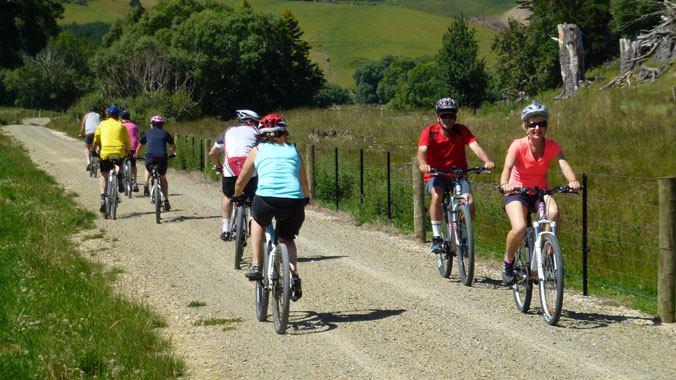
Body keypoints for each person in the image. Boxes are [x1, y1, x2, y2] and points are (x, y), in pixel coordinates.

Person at [499, 101, 580, 285]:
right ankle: (508, 261)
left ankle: (546, 254)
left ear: (546, 126)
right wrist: (504, 183)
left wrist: (572, 181)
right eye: (532, 124)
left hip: (540, 191)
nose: (537, 128)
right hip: (516, 191)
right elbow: (507, 167)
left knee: (554, 212)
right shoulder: (517, 145)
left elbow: (563, 164)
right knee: (519, 227)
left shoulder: (551, 145)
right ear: (525, 126)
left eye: (541, 124)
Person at [234, 114, 309, 302]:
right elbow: (303, 180)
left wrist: (237, 194)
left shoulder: (258, 149)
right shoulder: (294, 150)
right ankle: (293, 276)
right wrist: (305, 198)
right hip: (294, 201)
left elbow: (243, 177)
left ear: (262, 134)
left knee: (258, 221)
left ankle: (256, 264)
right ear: (284, 132)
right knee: (287, 238)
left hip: (266, 199)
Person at [416, 97, 495, 254]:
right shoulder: (430, 131)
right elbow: (421, 151)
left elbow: (475, 147)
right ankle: (437, 237)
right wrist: (423, 164)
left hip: (458, 175)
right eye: (444, 115)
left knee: (469, 202)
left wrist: (487, 160)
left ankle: (464, 236)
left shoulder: (461, 130)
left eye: (451, 115)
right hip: (436, 174)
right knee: (437, 197)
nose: (448, 119)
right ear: (438, 117)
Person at [208, 109, 260, 241]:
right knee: (253, 198)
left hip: (230, 169)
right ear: (251, 121)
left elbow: (212, 153)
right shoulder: (256, 132)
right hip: (249, 170)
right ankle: (253, 226)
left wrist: (219, 166)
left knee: (227, 195)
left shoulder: (228, 131)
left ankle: (225, 229)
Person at [91, 105, 131, 213]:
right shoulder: (121, 126)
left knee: (104, 175)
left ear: (108, 115)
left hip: (105, 153)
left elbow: (96, 140)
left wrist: (93, 151)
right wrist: (129, 152)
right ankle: (120, 178)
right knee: (120, 164)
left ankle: (103, 198)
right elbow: (127, 142)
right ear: (118, 115)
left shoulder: (102, 124)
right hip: (118, 152)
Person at [135, 115, 177, 211]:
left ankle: (146, 183)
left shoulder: (147, 133)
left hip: (150, 157)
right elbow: (173, 146)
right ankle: (166, 201)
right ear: (162, 125)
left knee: (148, 167)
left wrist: (136, 154)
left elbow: (140, 146)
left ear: (152, 124)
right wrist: (173, 153)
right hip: (162, 157)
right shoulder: (165, 133)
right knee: (163, 178)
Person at [120, 110, 140, 192]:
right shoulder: (134, 126)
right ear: (129, 118)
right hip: (133, 147)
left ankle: (120, 180)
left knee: (119, 163)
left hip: (123, 147)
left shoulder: (120, 125)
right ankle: (134, 182)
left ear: (121, 118)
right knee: (133, 165)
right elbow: (138, 137)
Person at [79, 106, 101, 172]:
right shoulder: (98, 115)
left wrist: (81, 133)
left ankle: (88, 163)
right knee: (100, 146)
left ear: (90, 111)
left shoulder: (87, 115)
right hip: (97, 132)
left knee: (87, 148)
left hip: (89, 133)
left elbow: (83, 126)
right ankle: (100, 161)